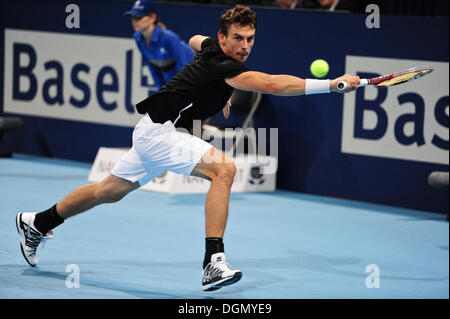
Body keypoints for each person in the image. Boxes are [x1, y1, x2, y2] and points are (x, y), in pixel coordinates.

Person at [16, 5, 360, 292]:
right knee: (224, 169)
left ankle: (36, 222)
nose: (244, 46)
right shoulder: (224, 65)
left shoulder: (211, 48)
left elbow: (195, 39)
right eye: (237, 38)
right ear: (224, 37)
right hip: (160, 133)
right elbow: (272, 84)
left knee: (108, 190)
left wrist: (218, 90)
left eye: (250, 39)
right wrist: (331, 85)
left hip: (153, 129)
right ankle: (213, 262)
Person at [125, 0, 194, 91]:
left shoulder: (170, 38)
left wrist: (182, 93)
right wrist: (161, 93)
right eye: (133, 17)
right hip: (175, 83)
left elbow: (185, 68)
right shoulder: (138, 38)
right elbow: (153, 69)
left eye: (139, 17)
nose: (134, 21)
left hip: (196, 78)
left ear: (153, 18)